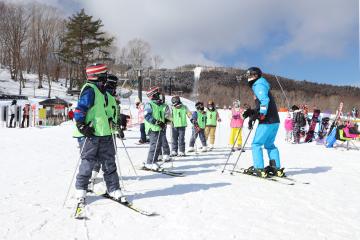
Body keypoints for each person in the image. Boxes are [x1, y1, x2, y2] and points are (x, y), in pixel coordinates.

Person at [73, 63, 125, 203]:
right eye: (104, 74)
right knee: (88, 162)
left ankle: (113, 188)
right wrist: (81, 125)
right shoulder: (90, 89)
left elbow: (103, 111)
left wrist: (112, 121)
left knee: (109, 161)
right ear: (98, 76)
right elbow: (80, 108)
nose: (106, 76)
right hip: (90, 133)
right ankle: (81, 190)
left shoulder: (102, 91)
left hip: (104, 132)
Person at [242, 67, 284, 178]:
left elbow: (265, 101)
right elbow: (262, 103)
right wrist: (253, 112)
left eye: (249, 75)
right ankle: (276, 167)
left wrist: (261, 114)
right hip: (275, 120)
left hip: (267, 121)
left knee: (256, 144)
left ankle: (259, 168)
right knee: (269, 144)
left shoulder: (258, 85)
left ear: (255, 76)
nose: (248, 78)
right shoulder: (263, 84)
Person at [90, 73, 120, 184]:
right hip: (102, 128)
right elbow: (102, 110)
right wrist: (108, 119)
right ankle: (93, 175)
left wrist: (117, 124)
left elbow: (114, 111)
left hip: (110, 129)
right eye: (111, 83)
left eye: (114, 84)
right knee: (100, 154)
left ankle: (104, 175)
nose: (113, 86)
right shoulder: (105, 94)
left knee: (110, 154)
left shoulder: (112, 95)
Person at [143, 87, 167, 170]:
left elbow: (161, 116)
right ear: (153, 96)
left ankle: (154, 161)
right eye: (158, 95)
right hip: (152, 128)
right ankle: (149, 162)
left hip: (159, 128)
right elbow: (147, 116)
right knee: (154, 146)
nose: (160, 96)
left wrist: (165, 121)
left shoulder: (159, 105)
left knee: (158, 145)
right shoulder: (149, 104)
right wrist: (157, 122)